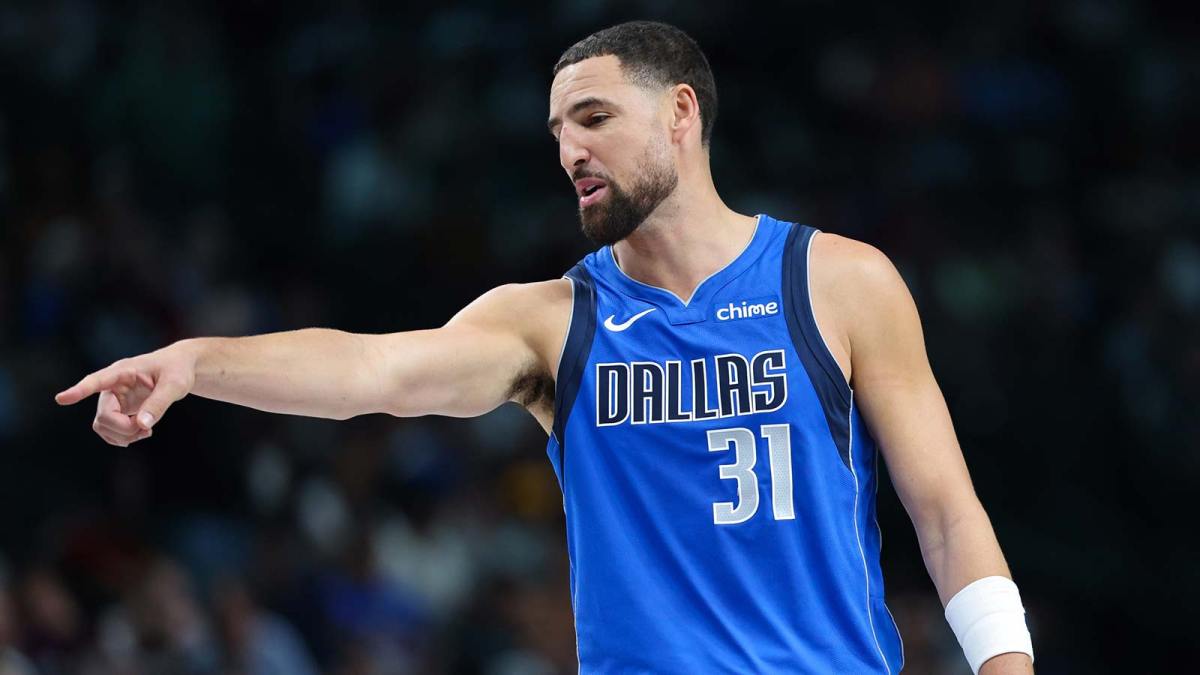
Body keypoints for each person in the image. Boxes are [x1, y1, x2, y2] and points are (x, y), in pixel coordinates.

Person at [56, 20, 1034, 675]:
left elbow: (945, 512)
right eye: (559, 130)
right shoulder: (551, 320)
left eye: (596, 119)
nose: (570, 150)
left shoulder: (838, 282)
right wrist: (196, 362)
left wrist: (1006, 664)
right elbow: (375, 374)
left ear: (681, 115)